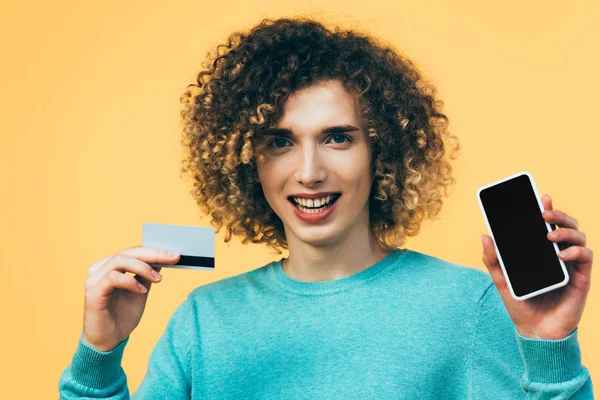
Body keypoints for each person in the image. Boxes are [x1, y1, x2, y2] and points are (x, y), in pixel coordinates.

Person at [58, 17, 594, 399]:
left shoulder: (468, 307)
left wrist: (550, 347)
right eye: (280, 141)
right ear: (249, 163)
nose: (310, 171)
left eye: (337, 138)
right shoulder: (205, 321)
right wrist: (99, 355)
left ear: (380, 151)